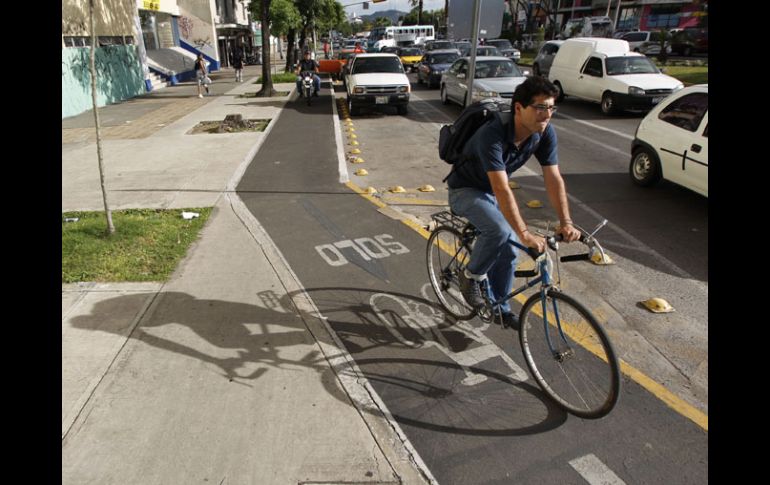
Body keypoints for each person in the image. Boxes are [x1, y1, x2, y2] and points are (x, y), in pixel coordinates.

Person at [446, 76, 581, 328]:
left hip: (492, 194)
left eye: (552, 108)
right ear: (518, 108)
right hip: (465, 190)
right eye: (540, 108)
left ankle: (500, 308)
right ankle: (470, 276)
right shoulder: (493, 134)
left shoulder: (543, 133)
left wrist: (566, 222)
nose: (547, 114)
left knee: (509, 250)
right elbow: (501, 186)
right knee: (499, 231)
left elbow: (553, 178)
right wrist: (525, 233)